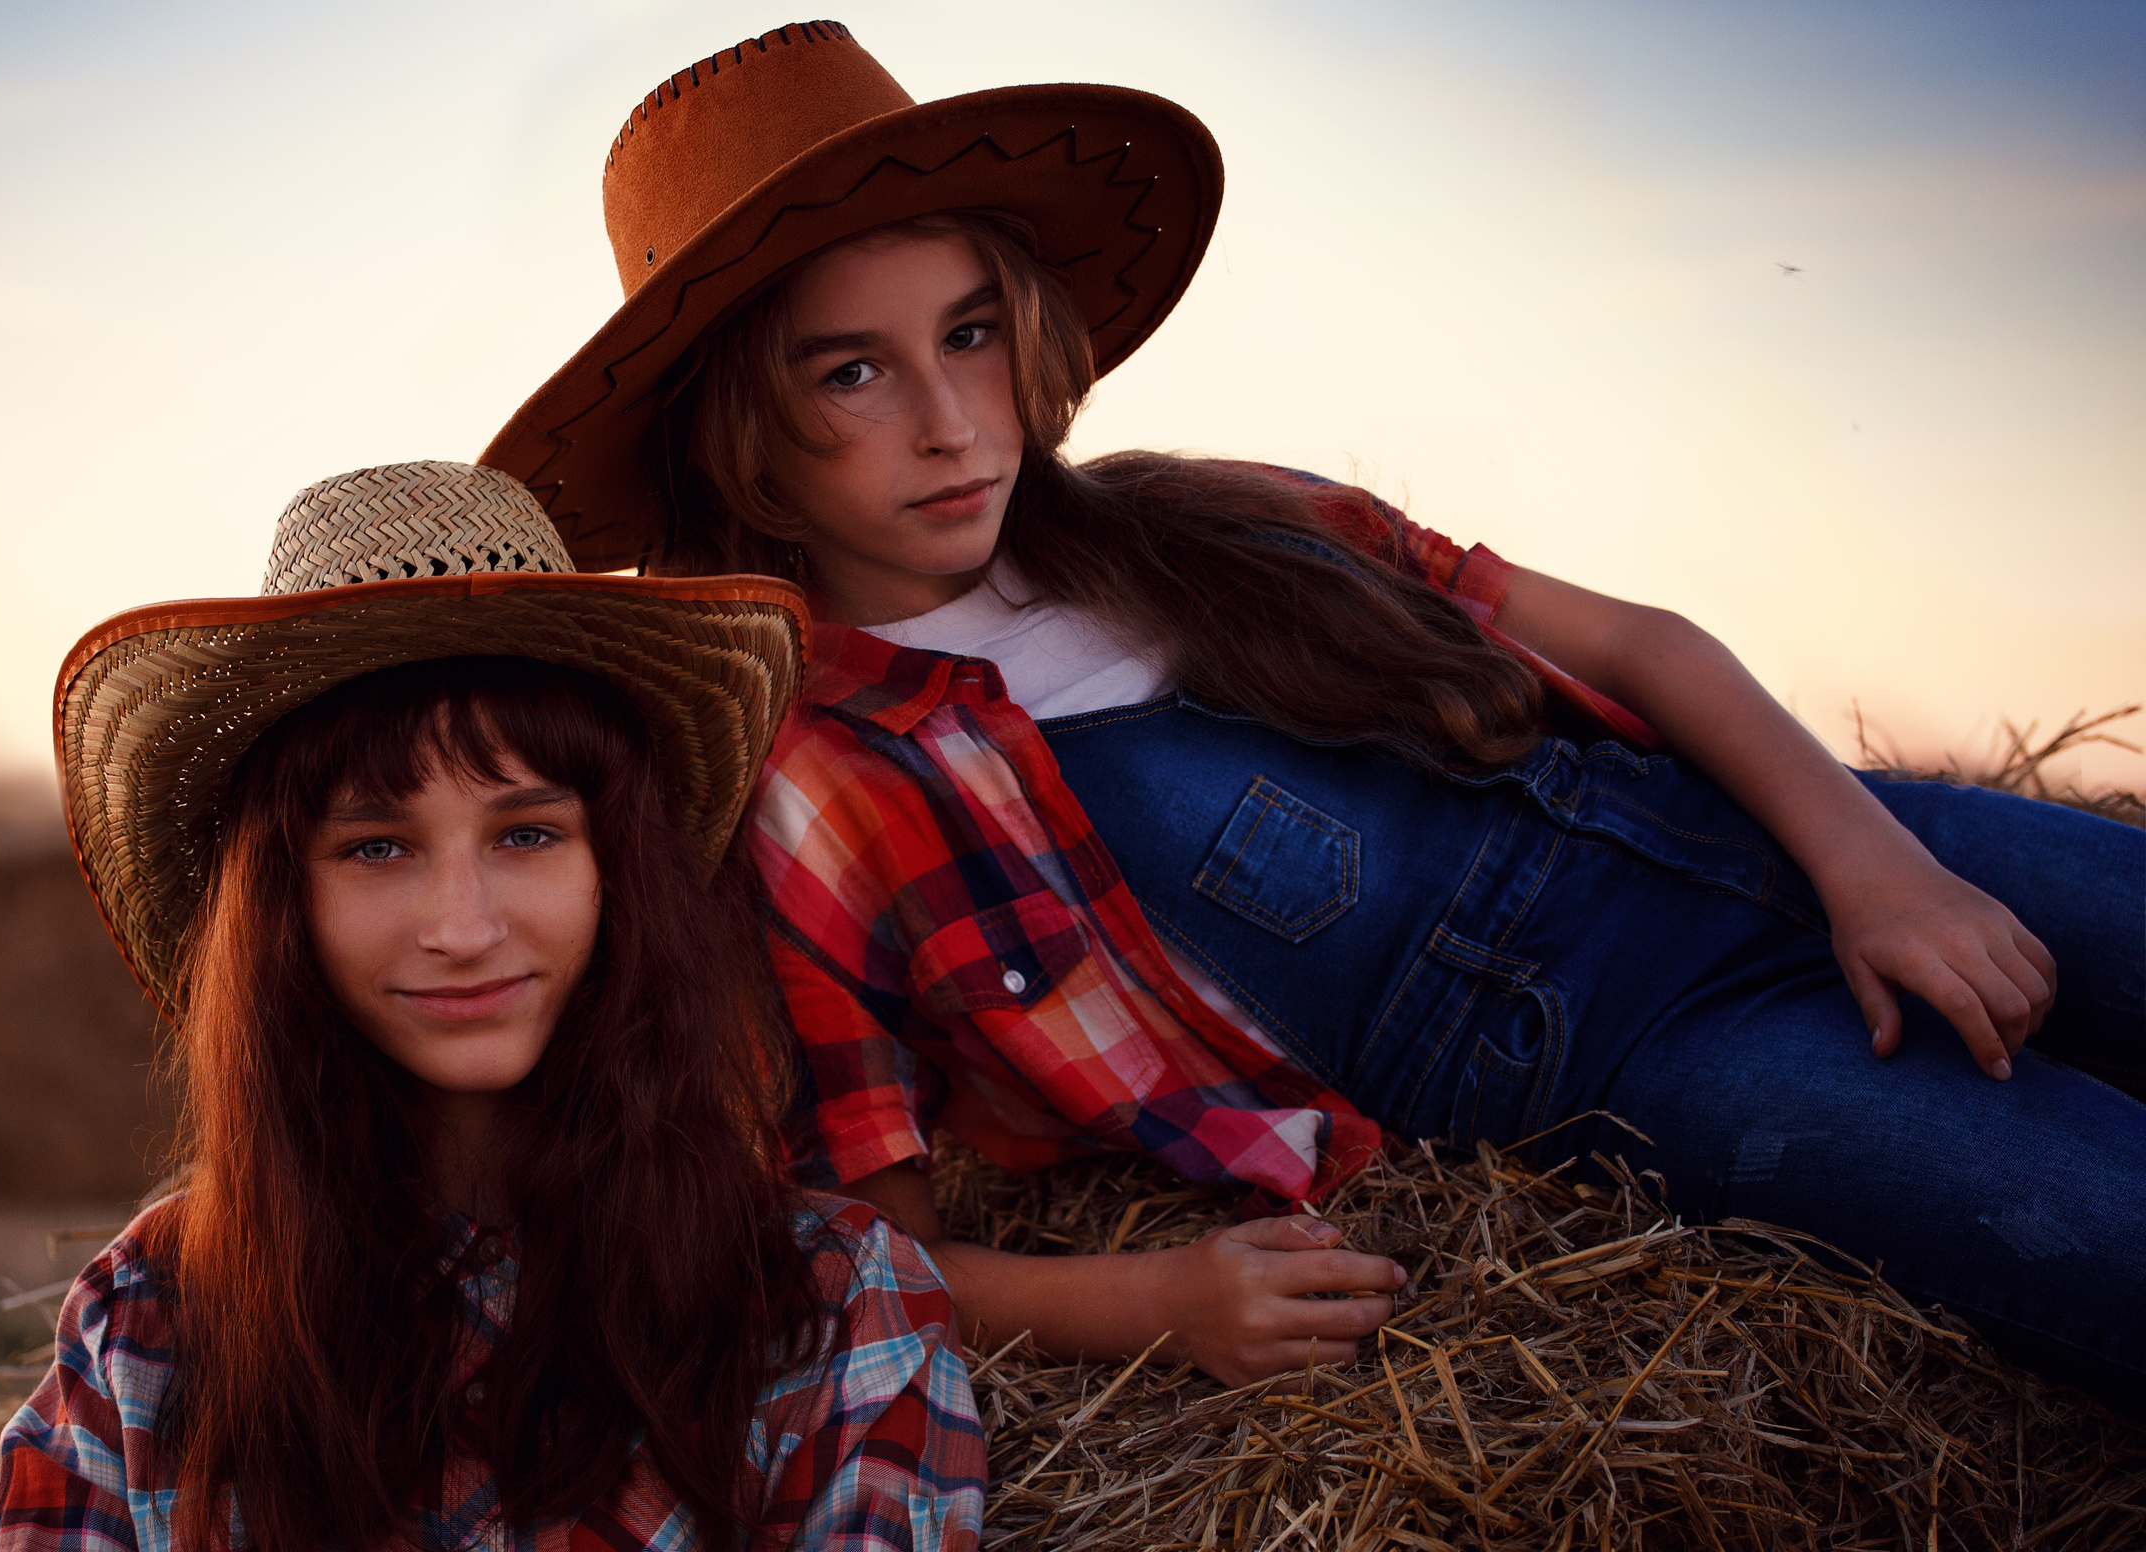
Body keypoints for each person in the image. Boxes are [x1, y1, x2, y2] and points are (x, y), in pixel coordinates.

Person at [481, 23, 2146, 1407]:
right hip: (1661, 1059)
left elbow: (1641, 646)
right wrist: (1154, 1305)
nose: (946, 419)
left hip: (1790, 827)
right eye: (851, 374)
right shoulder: (814, 795)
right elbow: (857, 1249)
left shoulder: (1209, 514)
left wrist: (1879, 867)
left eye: (970, 336)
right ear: (740, 443)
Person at [0, 462, 990, 1552]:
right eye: (376, 845)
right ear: (285, 906)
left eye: (527, 832)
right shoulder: (143, 1333)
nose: (462, 925)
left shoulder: (831, 1315)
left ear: (621, 867)